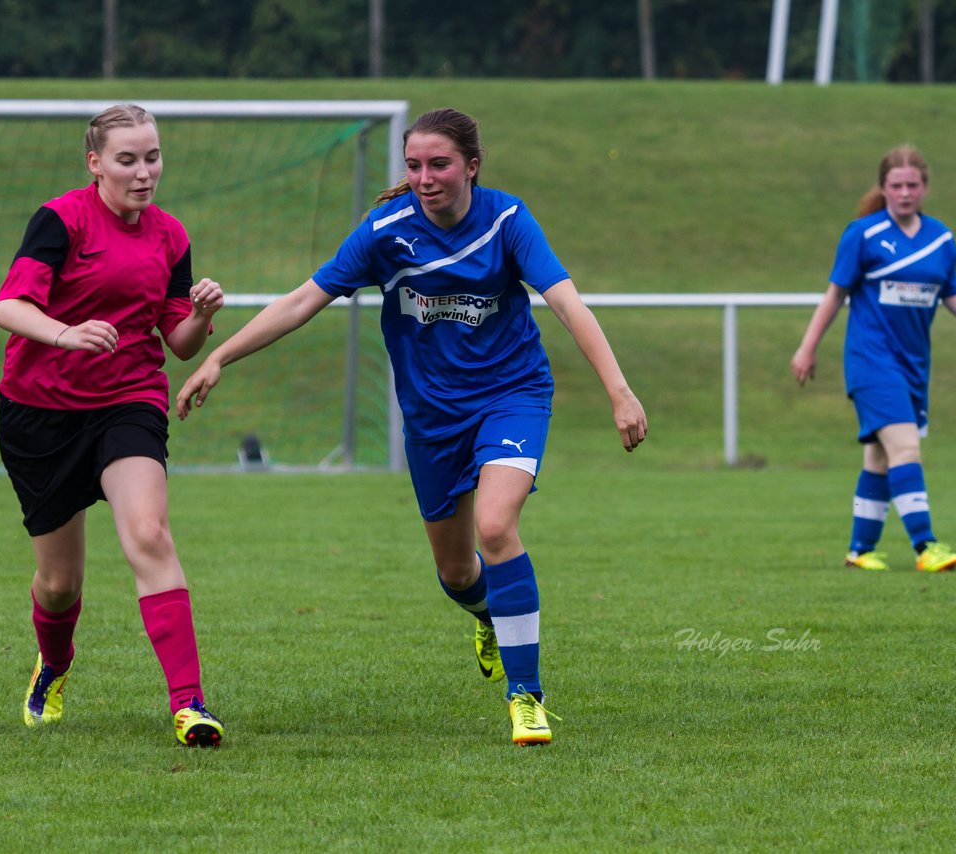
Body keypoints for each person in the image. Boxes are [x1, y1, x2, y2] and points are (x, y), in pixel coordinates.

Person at [176, 108, 647, 746]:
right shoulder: (384, 233)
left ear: (472, 166)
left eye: (441, 164)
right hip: (430, 418)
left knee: (496, 524)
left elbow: (567, 301)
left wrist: (619, 392)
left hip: (512, 396)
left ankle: (526, 697)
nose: (426, 178)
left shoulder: (508, 220)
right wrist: (219, 355)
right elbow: (301, 300)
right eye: (416, 165)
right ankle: (488, 612)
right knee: (457, 573)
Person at [0, 104, 227, 747]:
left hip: (128, 399)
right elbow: (8, 307)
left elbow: (178, 342)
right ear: (95, 162)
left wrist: (203, 315)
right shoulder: (61, 220)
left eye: (152, 157)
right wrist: (65, 334)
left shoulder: (170, 235)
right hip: (39, 413)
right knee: (61, 583)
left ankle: (189, 704)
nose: (144, 171)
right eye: (128, 159)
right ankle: (55, 666)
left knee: (149, 534)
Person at [791, 144, 956, 573]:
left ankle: (860, 551)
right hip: (871, 361)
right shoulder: (862, 235)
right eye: (896, 185)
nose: (904, 193)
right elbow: (834, 297)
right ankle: (927, 546)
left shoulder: (941, 238)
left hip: (914, 364)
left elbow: (950, 290)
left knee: (880, 459)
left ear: (925, 188)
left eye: (912, 185)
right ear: (883, 188)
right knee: (905, 449)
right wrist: (807, 348)